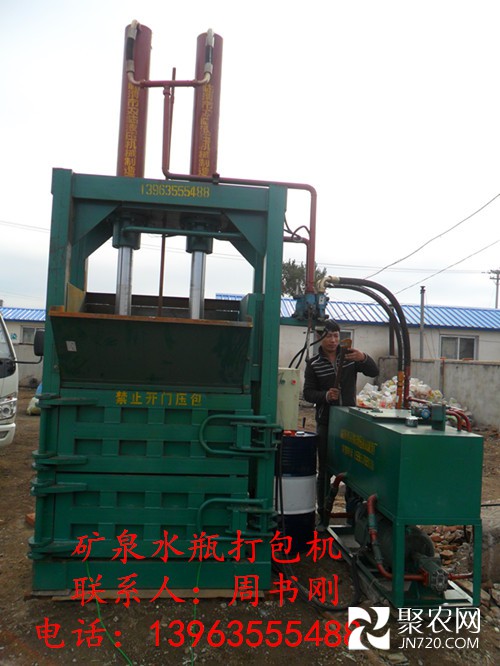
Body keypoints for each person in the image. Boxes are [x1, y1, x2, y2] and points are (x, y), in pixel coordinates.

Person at [303, 319, 378, 531]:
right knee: (325, 470)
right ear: (320, 337)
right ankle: (323, 516)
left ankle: (353, 516)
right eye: (329, 336)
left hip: (350, 422)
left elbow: (373, 371)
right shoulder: (314, 364)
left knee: (352, 470)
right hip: (326, 422)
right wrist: (326, 396)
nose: (333, 340)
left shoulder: (350, 358)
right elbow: (308, 393)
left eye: (336, 335)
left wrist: (364, 357)